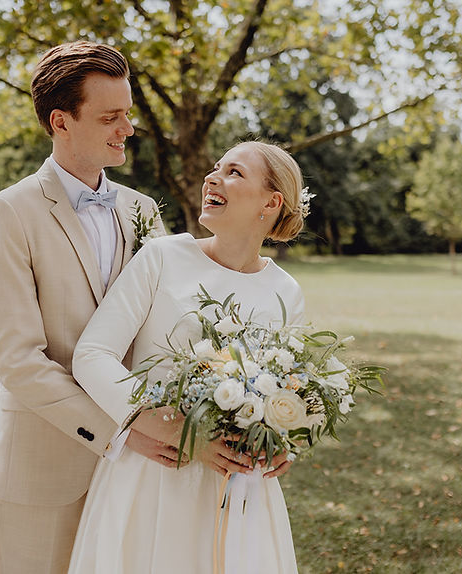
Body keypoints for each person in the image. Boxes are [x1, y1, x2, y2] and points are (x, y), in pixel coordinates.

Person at [0, 40, 169, 574]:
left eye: (128, 113)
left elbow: (163, 327)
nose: (127, 129)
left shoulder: (143, 210)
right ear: (61, 121)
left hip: (135, 471)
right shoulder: (8, 213)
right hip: (40, 468)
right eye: (110, 117)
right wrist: (124, 429)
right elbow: (18, 361)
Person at [67, 140, 309, 573]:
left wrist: (281, 442)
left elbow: (289, 383)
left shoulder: (286, 291)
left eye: (234, 172)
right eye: (215, 168)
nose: (213, 178)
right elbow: (92, 355)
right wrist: (174, 430)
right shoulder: (162, 257)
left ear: (271, 202)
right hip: (156, 473)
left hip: (241, 487)